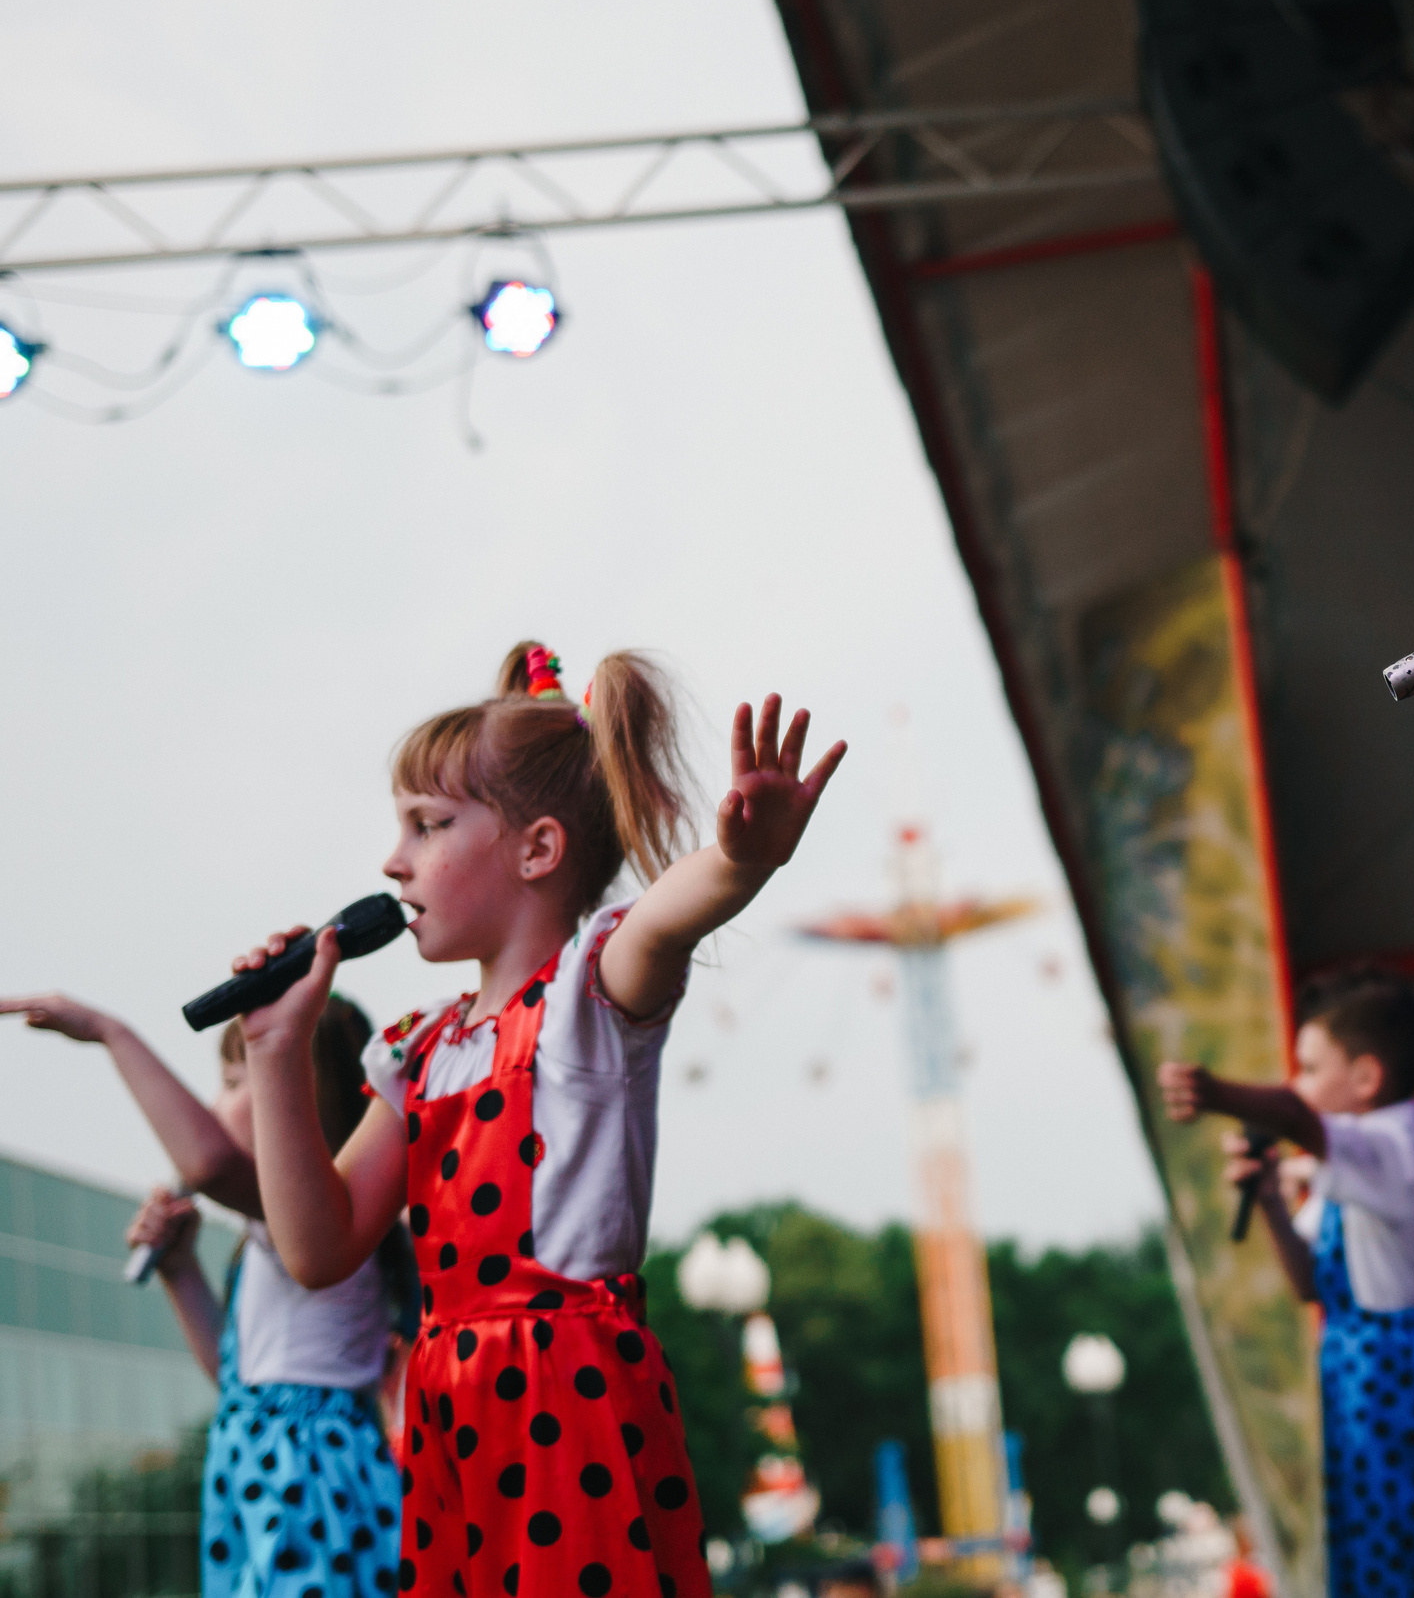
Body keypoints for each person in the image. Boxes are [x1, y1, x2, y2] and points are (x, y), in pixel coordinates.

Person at [229, 642, 844, 1598]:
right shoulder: (416, 1051)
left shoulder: (587, 995)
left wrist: (737, 860)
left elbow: (663, 917)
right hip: (450, 1423)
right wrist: (275, 1053)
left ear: (538, 849)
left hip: (569, 1401)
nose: (394, 860)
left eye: (428, 824)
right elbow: (317, 1247)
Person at [2, 993, 408, 1595]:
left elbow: (210, 1164)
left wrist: (113, 1032)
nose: (218, 1104)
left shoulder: (320, 1210)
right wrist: (181, 1269)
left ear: (301, 1096)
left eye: (235, 1080)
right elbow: (239, 1378)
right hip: (264, 1470)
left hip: (309, 1476)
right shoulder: (274, 1230)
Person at [1157, 968, 1414, 1598]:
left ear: (1365, 1078)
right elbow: (1311, 1285)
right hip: (1361, 1388)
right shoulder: (1351, 1171)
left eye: (1307, 1068)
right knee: (1371, 1558)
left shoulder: (1393, 1152)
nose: (1295, 1085)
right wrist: (1272, 1200)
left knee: (1407, 1564)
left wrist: (1217, 1091)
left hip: (1399, 1391)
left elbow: (1301, 1121)